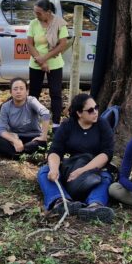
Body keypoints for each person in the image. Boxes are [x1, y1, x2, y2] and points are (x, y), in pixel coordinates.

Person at [37, 93, 115, 224]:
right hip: (71, 169)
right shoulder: (68, 125)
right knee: (45, 171)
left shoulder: (102, 124)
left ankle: (94, 206)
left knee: (106, 177)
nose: (95, 112)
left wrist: (83, 170)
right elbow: (55, 150)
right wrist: (54, 169)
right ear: (79, 113)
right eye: (90, 110)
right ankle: (60, 202)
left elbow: (106, 154)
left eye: (96, 107)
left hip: (93, 169)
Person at [27, 0, 69, 125]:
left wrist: (44, 58)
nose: (36, 15)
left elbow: (62, 45)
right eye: (35, 12)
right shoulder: (33, 23)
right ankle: (32, 122)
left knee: (55, 93)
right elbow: (30, 44)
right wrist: (41, 62)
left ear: (48, 12)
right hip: (36, 63)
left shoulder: (60, 23)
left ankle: (56, 123)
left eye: (39, 13)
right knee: (34, 93)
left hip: (55, 63)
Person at [0, 77, 50, 159]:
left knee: (39, 144)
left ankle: (15, 154)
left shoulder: (31, 101)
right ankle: (24, 155)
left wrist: (44, 136)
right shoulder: (6, 107)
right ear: (11, 92)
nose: (18, 91)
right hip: (14, 137)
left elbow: (45, 113)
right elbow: (1, 130)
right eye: (15, 89)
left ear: (26, 91)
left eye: (21, 89)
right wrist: (15, 141)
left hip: (33, 138)